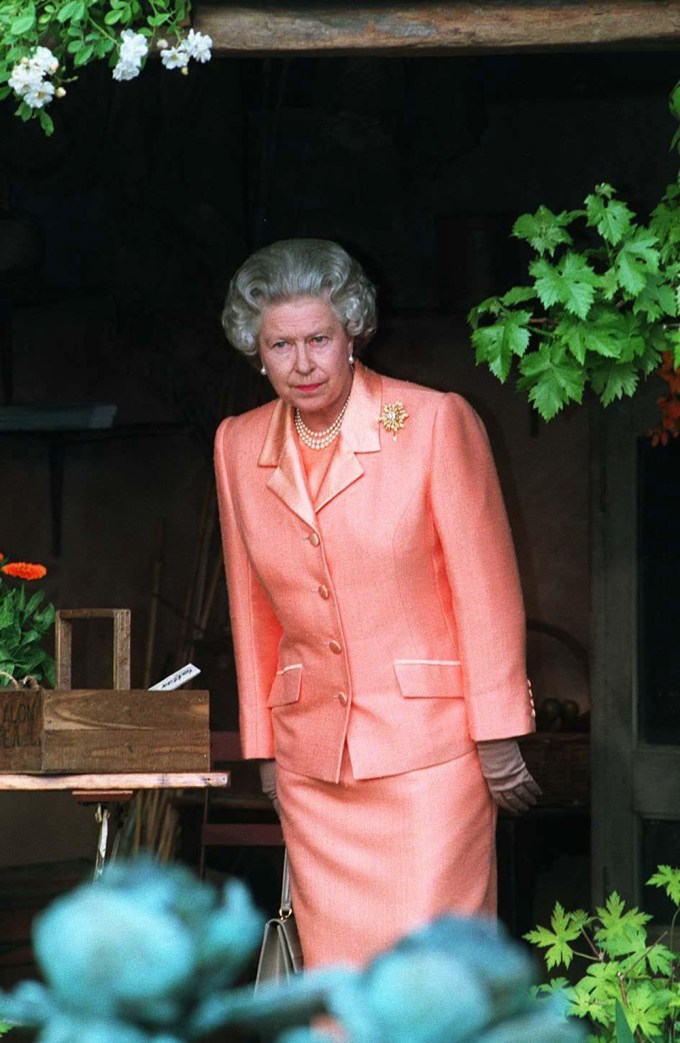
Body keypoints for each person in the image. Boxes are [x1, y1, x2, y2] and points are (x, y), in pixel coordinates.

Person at [214, 238, 540, 969]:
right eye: (281, 344)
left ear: (353, 331)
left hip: (429, 763)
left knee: (432, 978)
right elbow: (251, 608)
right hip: (313, 769)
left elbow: (485, 588)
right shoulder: (236, 445)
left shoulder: (431, 423)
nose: (302, 362)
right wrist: (265, 746)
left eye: (319, 339)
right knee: (339, 986)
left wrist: (496, 734)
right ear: (254, 350)